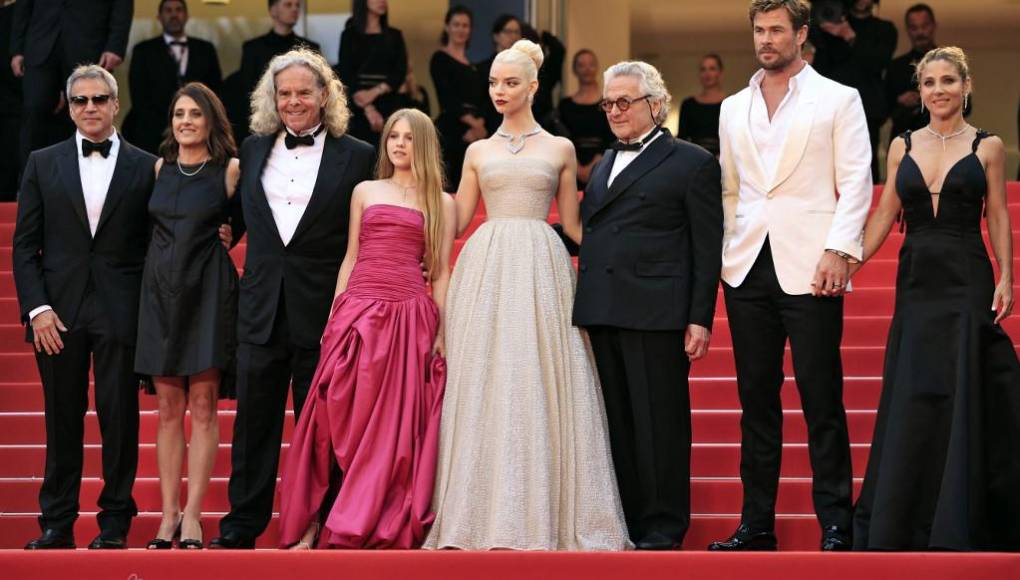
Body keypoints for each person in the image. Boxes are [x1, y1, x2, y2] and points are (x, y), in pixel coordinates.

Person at [423, 39, 629, 551]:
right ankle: (478, 511)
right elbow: (458, 218)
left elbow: (574, 227)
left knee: (540, 375)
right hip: (487, 265)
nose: (499, 90)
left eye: (511, 82)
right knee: (486, 377)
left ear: (534, 87)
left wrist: (629, 249)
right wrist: (414, 196)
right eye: (494, 82)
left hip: (542, 263)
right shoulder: (477, 151)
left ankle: (543, 512)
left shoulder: (559, 148)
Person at [708, 0, 871, 552]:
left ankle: (836, 524)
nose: (766, 39)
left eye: (777, 29)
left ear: (801, 34)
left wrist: (839, 251)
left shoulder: (839, 98)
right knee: (756, 402)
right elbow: (730, 188)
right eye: (759, 30)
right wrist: (727, 251)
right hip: (746, 266)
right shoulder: (732, 106)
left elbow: (857, 181)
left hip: (812, 266)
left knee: (821, 399)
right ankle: (756, 524)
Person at [851, 47, 1020, 551]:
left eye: (948, 80)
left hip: (966, 275)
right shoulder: (901, 145)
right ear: (920, 91)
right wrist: (847, 262)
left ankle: (959, 516)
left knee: (962, 385)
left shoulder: (988, 146)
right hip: (916, 281)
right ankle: (909, 517)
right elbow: (885, 214)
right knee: (916, 389)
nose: (938, 90)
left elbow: (997, 214)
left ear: (966, 87)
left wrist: (1007, 275)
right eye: (929, 82)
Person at [209, 48, 375, 550]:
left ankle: (323, 523)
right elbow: (239, 217)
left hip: (324, 310)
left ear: (325, 96)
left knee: (321, 427)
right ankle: (242, 526)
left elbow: (373, 226)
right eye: (285, 93)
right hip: (260, 307)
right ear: (273, 98)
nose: (294, 101)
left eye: (304, 92)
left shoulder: (359, 155)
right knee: (252, 427)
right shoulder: (253, 149)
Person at [277, 108, 455, 549]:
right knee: (331, 414)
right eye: (393, 136)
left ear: (423, 145)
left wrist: (442, 331)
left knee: (391, 429)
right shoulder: (365, 190)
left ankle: (367, 519)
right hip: (357, 311)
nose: (398, 145)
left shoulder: (442, 202)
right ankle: (313, 522)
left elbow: (440, 272)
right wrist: (335, 314)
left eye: (408, 138)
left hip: (408, 318)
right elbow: (351, 257)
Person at [573, 60, 723, 550]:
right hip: (604, 308)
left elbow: (707, 247)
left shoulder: (692, 162)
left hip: (657, 311)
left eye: (624, 101)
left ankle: (664, 525)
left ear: (656, 105)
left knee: (660, 422)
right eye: (608, 103)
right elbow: (592, 231)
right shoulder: (603, 163)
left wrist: (699, 317)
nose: (614, 111)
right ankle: (632, 521)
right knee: (619, 423)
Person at [12, 65, 155, 550]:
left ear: (115, 104)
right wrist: (37, 309)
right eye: (80, 100)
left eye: (99, 99)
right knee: (61, 419)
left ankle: (115, 523)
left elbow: (158, 241)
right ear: (70, 107)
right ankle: (56, 523)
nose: (90, 107)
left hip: (122, 310)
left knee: (121, 419)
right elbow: (24, 245)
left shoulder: (146, 166)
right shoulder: (42, 162)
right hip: (57, 314)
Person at [135, 82, 240, 550]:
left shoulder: (230, 170)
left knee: (203, 405)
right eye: (179, 113)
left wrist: (232, 233)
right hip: (159, 295)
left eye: (195, 114)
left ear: (211, 120)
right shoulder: (159, 168)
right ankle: (168, 515)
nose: (186, 121)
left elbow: (248, 219)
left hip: (209, 292)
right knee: (167, 410)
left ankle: (194, 515)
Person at [9, 0, 132, 176]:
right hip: (40, 41)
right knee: (34, 112)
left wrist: (115, 46)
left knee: (86, 114)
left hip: (88, 42)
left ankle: (83, 181)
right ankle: (30, 182)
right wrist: (17, 49)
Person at [123, 0, 224, 155]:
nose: (174, 15)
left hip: (198, 131)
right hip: (153, 135)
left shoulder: (206, 49)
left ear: (187, 16)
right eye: (168, 10)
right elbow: (138, 95)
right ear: (159, 17)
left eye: (178, 10)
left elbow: (215, 91)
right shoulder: (143, 51)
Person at [810, 0, 896, 180]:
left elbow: (878, 63)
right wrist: (824, 34)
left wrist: (849, 36)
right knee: (828, 163)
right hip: (832, 107)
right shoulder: (831, 21)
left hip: (868, 109)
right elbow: (821, 70)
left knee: (866, 164)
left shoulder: (884, 29)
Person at [230, 0, 320, 143]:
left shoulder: (310, 48)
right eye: (288, 4)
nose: (295, 9)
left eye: (297, 5)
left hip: (303, 124)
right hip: (264, 125)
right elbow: (248, 93)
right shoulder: (253, 49)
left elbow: (317, 89)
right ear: (273, 10)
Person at [885, 4, 971, 142]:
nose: (920, 32)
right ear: (908, 30)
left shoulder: (952, 63)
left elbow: (967, 105)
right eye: (914, 28)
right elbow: (882, 109)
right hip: (906, 142)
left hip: (944, 141)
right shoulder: (896, 68)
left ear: (934, 26)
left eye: (924, 26)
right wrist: (898, 101)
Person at [336, 0, 407, 145]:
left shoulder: (395, 35)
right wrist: (368, 108)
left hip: (389, 102)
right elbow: (346, 73)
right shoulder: (349, 35)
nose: (382, 2)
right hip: (357, 106)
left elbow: (400, 72)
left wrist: (375, 91)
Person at [430, 5, 486, 191]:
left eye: (465, 25)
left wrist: (479, 125)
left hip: (476, 132)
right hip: (451, 130)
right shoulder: (439, 58)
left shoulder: (474, 68)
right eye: (456, 24)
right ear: (447, 27)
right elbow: (447, 98)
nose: (461, 29)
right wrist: (475, 124)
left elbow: (483, 100)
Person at [558, 49, 614, 188]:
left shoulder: (609, 103)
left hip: (604, 167)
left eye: (591, 64)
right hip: (571, 167)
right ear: (574, 70)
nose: (587, 69)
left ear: (597, 67)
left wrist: (597, 163)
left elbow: (612, 136)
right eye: (581, 65)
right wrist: (576, 166)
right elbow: (561, 138)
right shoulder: (565, 106)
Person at [475, 14, 522, 135]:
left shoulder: (524, 68)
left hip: (518, 127)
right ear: (496, 36)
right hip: (492, 128)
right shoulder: (484, 68)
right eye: (508, 32)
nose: (513, 36)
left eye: (516, 32)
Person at [678, 53, 726, 157]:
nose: (707, 74)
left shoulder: (731, 103)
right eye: (703, 69)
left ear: (720, 73)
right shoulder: (688, 105)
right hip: (695, 160)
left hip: (724, 160)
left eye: (712, 69)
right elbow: (682, 140)